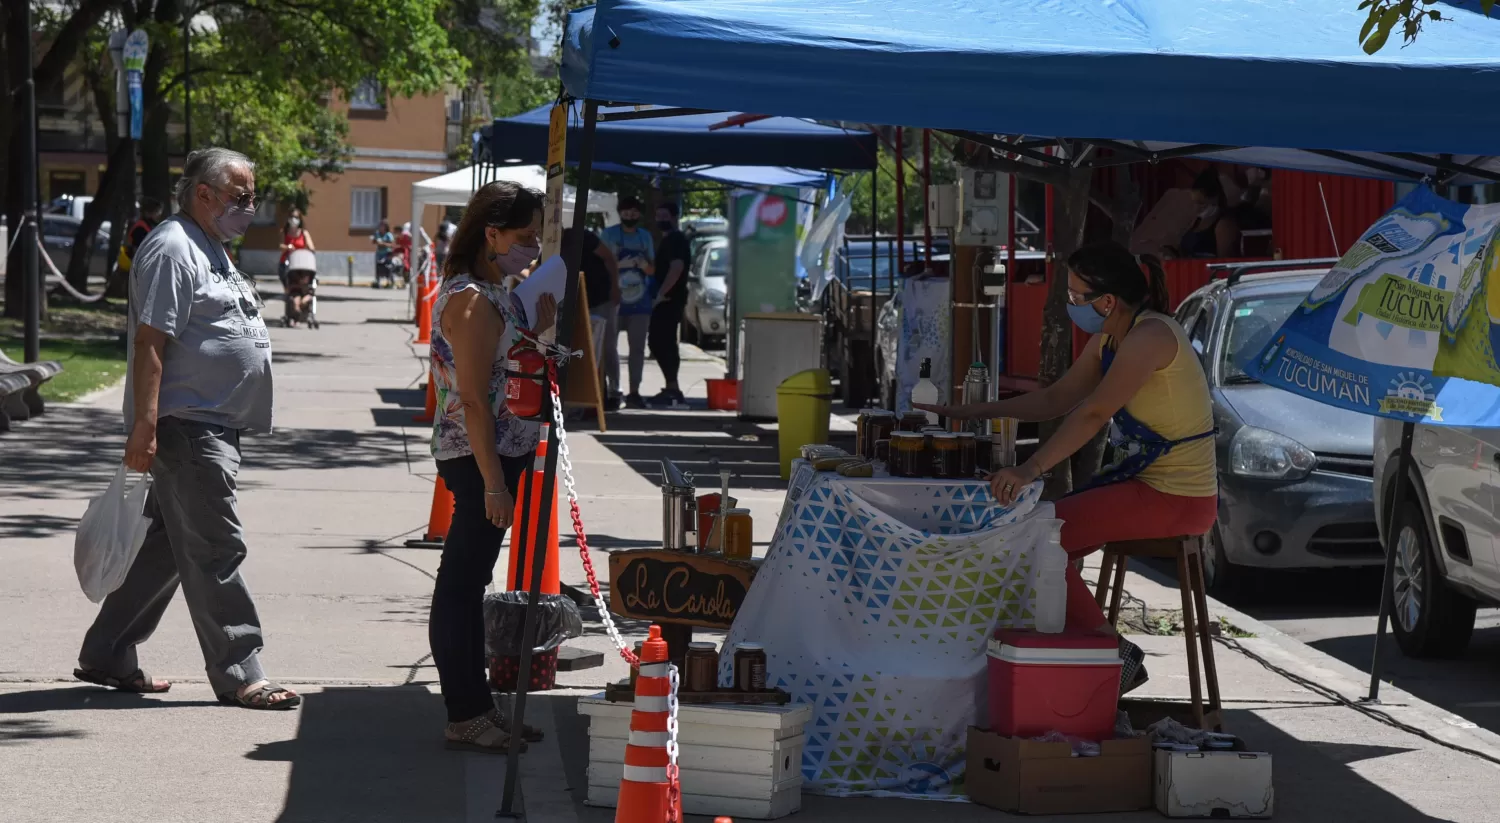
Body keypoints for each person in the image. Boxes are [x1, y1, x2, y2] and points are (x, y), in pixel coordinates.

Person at [917, 242, 1217, 693]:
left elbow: (1093, 413)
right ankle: (1072, 661)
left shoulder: (1151, 337)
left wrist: (1029, 469)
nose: (1071, 305)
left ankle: (1112, 660)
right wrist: (972, 412)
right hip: (1144, 485)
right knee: (1037, 544)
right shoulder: (1111, 338)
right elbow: (1056, 399)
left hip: (1178, 496)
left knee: (1038, 535)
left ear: (1108, 301)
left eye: (1077, 297)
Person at [74, 147, 297, 710]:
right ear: (205, 193)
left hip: (210, 424)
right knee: (217, 547)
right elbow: (151, 343)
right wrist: (144, 430)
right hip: (187, 427)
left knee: (169, 548)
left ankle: (107, 652)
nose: (249, 206)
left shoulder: (210, 245)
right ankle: (240, 667)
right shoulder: (173, 248)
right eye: (241, 197)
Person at [428, 180, 554, 752]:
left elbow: (510, 370)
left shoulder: (493, 290)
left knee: (471, 583)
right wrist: (494, 483)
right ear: (491, 234)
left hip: (495, 453)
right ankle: (466, 713)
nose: (532, 247)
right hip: (480, 457)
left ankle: (477, 707)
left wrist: (542, 327)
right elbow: (475, 398)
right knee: (461, 587)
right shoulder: (472, 300)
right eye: (525, 236)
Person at [599, 196, 655, 408]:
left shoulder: (645, 237)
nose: (630, 216)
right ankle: (611, 389)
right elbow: (601, 265)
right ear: (620, 213)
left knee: (637, 348)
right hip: (613, 299)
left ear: (639, 214)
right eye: (626, 212)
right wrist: (619, 264)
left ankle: (634, 391)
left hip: (640, 302)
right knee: (608, 347)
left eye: (634, 212)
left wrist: (643, 265)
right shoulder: (609, 234)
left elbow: (652, 269)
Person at [649, 202, 692, 407]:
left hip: (669, 299)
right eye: (658, 215)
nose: (661, 219)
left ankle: (673, 388)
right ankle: (671, 386)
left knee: (662, 342)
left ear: (674, 217)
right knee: (661, 342)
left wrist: (661, 293)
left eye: (665, 215)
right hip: (669, 298)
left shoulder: (675, 239)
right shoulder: (670, 239)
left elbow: (677, 267)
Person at [563, 226, 621, 377]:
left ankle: (614, 389)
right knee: (585, 348)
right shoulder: (552, 245)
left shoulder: (581, 236)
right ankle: (593, 387)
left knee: (607, 346)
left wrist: (615, 286)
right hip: (577, 304)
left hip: (601, 298)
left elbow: (609, 258)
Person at [1169, 168, 1240, 259]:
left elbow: (1225, 261)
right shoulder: (1196, 221)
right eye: (1195, 202)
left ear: (1215, 198)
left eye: (1201, 203)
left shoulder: (1224, 225)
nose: (1197, 208)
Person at [118, 198, 164, 275]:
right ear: (147, 213)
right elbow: (138, 251)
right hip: (135, 270)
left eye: (159, 212)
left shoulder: (148, 226)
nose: (159, 214)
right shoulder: (140, 229)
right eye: (156, 212)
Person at [372, 220, 396, 288]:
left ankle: (391, 282)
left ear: (385, 227)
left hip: (387, 253)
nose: (381, 227)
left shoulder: (388, 235)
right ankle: (377, 281)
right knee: (378, 267)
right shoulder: (377, 234)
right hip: (379, 253)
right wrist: (375, 241)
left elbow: (392, 244)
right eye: (380, 226)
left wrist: (383, 243)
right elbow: (374, 241)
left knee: (388, 267)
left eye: (382, 226)